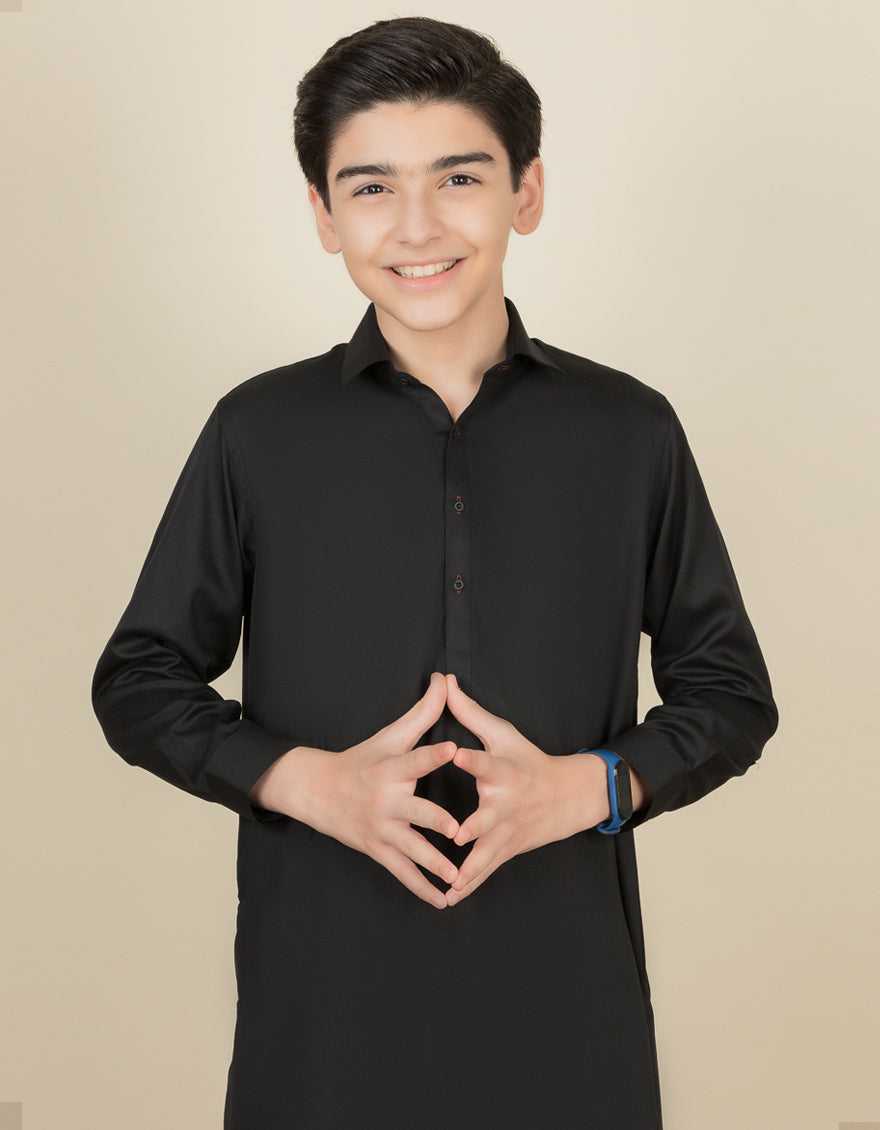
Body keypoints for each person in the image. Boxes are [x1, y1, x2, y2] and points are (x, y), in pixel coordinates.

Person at [92, 16, 777, 1129]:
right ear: (324, 215)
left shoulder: (629, 429)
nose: (417, 226)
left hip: (567, 1002)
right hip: (322, 1008)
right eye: (370, 187)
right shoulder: (257, 430)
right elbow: (138, 677)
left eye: (459, 177)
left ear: (526, 192)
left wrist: (593, 785)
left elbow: (731, 692)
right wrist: (305, 782)